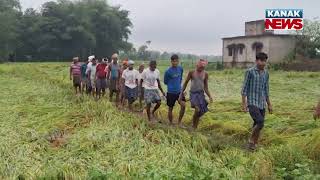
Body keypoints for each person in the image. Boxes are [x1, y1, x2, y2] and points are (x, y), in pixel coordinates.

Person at [241, 52, 273, 151]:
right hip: (252, 102)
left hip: (262, 103)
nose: (263, 63)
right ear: (256, 61)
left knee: (257, 124)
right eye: (261, 61)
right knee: (260, 122)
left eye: (265, 61)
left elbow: (266, 89)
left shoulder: (266, 73)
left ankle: (254, 145)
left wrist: (269, 104)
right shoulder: (250, 72)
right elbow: (244, 88)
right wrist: (244, 103)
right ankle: (251, 140)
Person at [180, 59, 213, 130]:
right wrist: (181, 93)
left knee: (200, 111)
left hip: (201, 94)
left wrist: (210, 96)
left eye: (203, 67)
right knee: (197, 109)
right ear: (197, 65)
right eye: (200, 66)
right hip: (193, 94)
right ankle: (193, 125)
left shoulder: (205, 74)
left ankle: (194, 126)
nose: (201, 68)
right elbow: (185, 83)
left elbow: (206, 87)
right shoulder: (192, 72)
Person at [164, 54, 186, 126]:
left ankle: (179, 122)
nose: (175, 63)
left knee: (183, 106)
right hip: (171, 92)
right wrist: (172, 85)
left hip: (179, 91)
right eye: (174, 61)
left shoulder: (180, 69)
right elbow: (165, 82)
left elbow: (180, 78)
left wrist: (180, 87)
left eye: (177, 61)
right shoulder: (168, 71)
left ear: (178, 61)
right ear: (171, 61)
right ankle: (170, 123)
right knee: (170, 108)